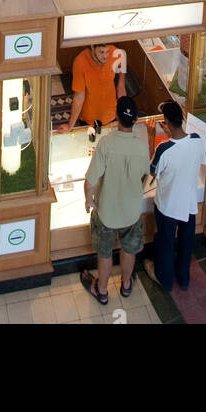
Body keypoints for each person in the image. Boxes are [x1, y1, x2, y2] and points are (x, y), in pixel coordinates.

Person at [81, 95, 149, 304]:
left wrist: (89, 199)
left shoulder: (106, 144)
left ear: (117, 117)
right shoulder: (142, 147)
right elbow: (145, 176)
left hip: (106, 213)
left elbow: (90, 181)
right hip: (132, 211)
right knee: (129, 250)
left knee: (105, 252)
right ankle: (126, 284)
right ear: (135, 119)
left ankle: (101, 290)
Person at [144, 100, 205, 293]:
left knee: (165, 242)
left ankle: (164, 278)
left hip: (168, 205)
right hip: (189, 203)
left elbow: (151, 172)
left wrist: (151, 135)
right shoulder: (197, 140)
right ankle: (184, 278)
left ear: (167, 123)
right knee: (187, 242)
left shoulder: (164, 150)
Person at [56, 42, 126, 132]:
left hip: (112, 114)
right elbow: (79, 96)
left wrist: (124, 113)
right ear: (92, 47)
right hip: (88, 119)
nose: (105, 56)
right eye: (101, 52)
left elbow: (121, 86)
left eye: (107, 51)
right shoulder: (80, 62)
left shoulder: (117, 53)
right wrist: (70, 126)